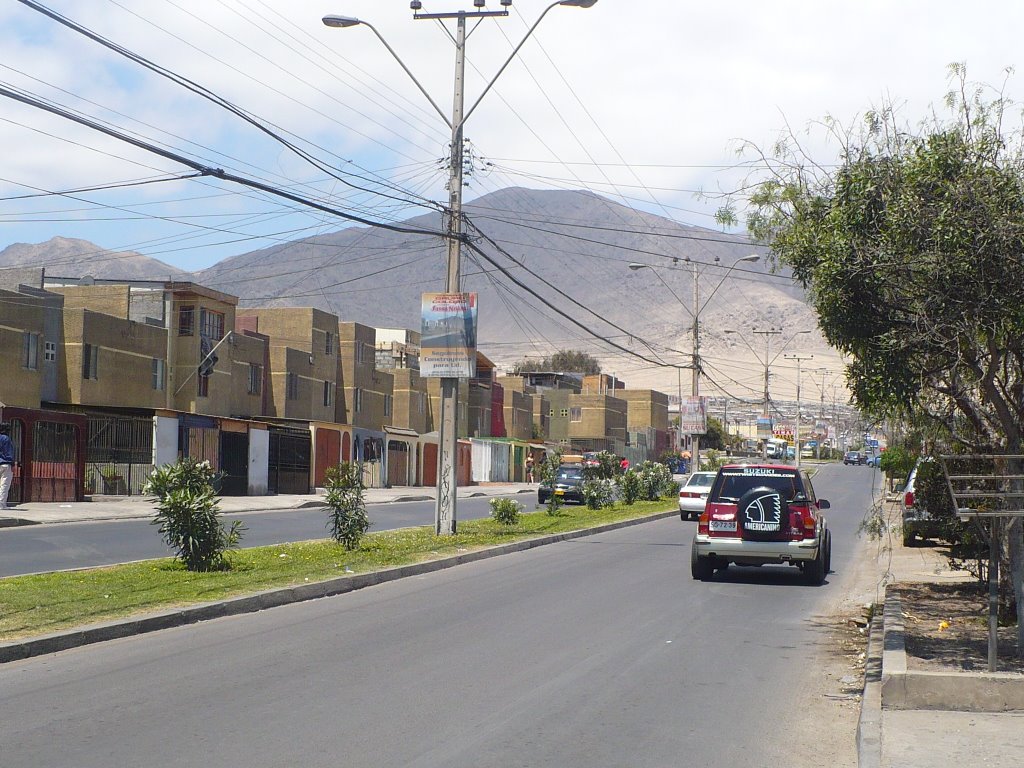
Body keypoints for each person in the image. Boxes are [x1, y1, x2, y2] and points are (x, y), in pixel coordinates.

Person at [0, 423, 14, 510]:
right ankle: (1, 504)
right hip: (5, 464)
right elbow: (8, 453)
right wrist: (12, 464)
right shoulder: (6, 439)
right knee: (4, 485)